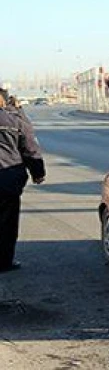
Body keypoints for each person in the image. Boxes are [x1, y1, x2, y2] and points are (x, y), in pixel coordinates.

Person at [0, 88, 46, 273]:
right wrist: (38, 172)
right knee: (7, 222)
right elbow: (30, 148)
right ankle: (3, 261)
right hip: (8, 179)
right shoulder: (15, 120)